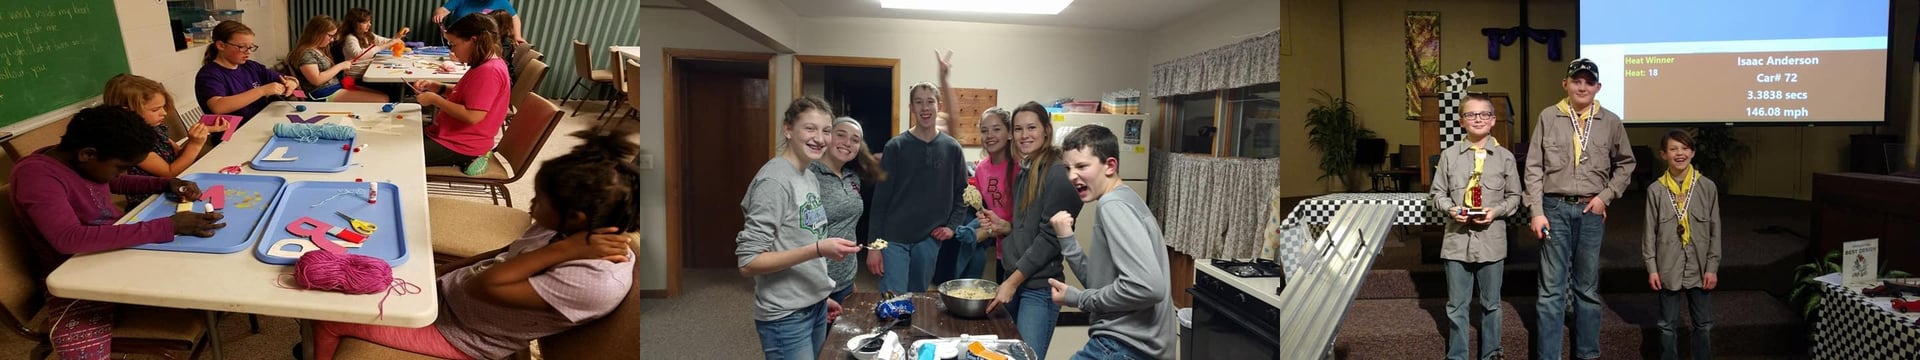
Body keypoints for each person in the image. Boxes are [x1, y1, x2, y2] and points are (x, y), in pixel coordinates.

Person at [301, 129, 642, 360]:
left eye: (540, 200)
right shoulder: (564, 232)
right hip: (451, 301)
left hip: (464, 336)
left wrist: (564, 251)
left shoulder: (592, 280)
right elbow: (502, 255)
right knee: (341, 290)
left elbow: (484, 285)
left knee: (329, 319)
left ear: (578, 217)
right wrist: (439, 274)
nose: (531, 206)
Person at [10, 106, 226, 360]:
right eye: (121, 167)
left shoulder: (85, 162)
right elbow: (68, 239)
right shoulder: (36, 177)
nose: (122, 173)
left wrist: (165, 183)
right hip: (76, 272)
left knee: (214, 268)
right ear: (88, 154)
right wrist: (169, 226)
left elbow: (113, 180)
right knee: (80, 350)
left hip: (117, 248)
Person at [1526, 58, 1636, 360]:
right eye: (1577, 81)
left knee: (1586, 289)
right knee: (1551, 291)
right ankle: (1549, 356)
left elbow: (1627, 164)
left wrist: (1606, 196)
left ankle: (1587, 354)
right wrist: (1536, 210)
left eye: (1589, 82)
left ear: (1597, 87)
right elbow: (1534, 166)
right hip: (1554, 209)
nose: (1582, 86)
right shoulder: (1549, 116)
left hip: (1591, 211)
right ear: (1566, 84)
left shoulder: (1611, 121)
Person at [738, 96, 862, 360]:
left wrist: (819, 293)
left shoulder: (807, 176)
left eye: (825, 130)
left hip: (813, 304)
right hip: (786, 315)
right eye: (810, 128)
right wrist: (818, 249)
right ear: (788, 129)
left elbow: (797, 238)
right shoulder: (774, 181)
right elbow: (748, 262)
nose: (819, 138)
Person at [1046, 124, 1176, 360]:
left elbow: (1147, 287)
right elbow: (1100, 282)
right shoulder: (1127, 199)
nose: (1072, 176)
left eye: (1082, 166)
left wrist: (1079, 299)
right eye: (1068, 168)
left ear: (1110, 165)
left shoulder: (1112, 206)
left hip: (1124, 346)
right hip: (1133, 346)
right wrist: (1067, 240)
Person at [978, 101, 1083, 359]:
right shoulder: (1027, 169)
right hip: (1016, 278)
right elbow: (1028, 227)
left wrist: (1010, 283)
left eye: (1032, 127)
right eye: (1019, 129)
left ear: (1047, 130)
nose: (1025, 135)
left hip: (1038, 287)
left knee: (1026, 355)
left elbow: (1049, 239)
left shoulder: (1058, 173)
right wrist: (1006, 227)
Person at [867, 50, 969, 294]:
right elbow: (880, 202)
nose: (925, 107)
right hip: (894, 240)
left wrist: (952, 226)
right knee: (893, 300)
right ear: (911, 107)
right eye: (919, 102)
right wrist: (874, 247)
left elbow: (963, 193)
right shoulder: (896, 147)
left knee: (918, 298)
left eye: (930, 101)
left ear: (938, 105)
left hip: (929, 239)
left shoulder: (952, 148)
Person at [1429, 93, 1520, 360]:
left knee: (1492, 304)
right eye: (1471, 114)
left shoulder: (1505, 158)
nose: (1477, 119)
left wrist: (1496, 211)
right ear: (1461, 121)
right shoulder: (1448, 156)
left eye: (1483, 114)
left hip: (1492, 241)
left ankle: (1491, 353)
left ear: (1493, 120)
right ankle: (1457, 355)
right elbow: (1437, 194)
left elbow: (1515, 197)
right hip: (1457, 242)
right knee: (1457, 305)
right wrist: (1450, 209)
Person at [1643, 129, 1719, 360]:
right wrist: (1652, 268)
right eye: (1673, 149)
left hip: (1699, 267)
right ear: (1663, 154)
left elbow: (1716, 232)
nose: (1679, 153)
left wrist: (1712, 268)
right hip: (1668, 266)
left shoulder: (1707, 187)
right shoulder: (1655, 190)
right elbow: (1649, 233)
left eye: (1685, 148)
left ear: (1693, 153)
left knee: (1703, 324)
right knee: (1667, 325)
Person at [101, 74, 228, 210]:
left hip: (175, 188)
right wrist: (195, 145)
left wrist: (201, 133)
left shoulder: (155, 128)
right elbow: (170, 172)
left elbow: (178, 155)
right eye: (155, 110)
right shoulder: (130, 142)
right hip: (150, 202)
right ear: (127, 112)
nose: (164, 113)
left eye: (163, 107)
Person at [410, 14, 512, 170]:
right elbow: (468, 95)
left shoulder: (489, 71)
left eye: (454, 44)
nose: (452, 49)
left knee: (399, 154)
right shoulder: (486, 63)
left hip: (461, 145)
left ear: (473, 40)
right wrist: (437, 87)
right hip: (453, 137)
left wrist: (435, 100)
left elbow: (472, 115)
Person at [811, 116, 886, 306]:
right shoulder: (809, 175)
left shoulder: (852, 178)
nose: (847, 143)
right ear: (828, 136)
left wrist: (850, 280)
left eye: (855, 139)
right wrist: (816, 294)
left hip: (844, 280)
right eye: (841, 135)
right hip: (813, 285)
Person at [195, 20, 298, 146]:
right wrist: (262, 91)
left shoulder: (251, 66)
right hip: (232, 136)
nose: (248, 52)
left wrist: (292, 82)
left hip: (260, 126)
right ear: (221, 45)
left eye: (250, 47)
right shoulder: (209, 74)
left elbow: (284, 79)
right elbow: (218, 106)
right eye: (242, 47)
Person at [286, 15, 387, 102]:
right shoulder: (306, 53)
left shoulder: (319, 49)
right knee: (383, 99)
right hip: (322, 93)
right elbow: (316, 80)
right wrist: (341, 66)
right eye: (330, 36)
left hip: (335, 87)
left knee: (384, 96)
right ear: (317, 33)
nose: (332, 40)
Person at [971, 107, 1018, 282]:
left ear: (1010, 133)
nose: (990, 135)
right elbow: (984, 208)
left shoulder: (1020, 166)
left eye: (996, 129)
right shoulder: (981, 169)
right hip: (1001, 250)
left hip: (1023, 247)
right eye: (984, 130)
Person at [338, 8, 408, 101]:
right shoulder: (350, 38)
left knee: (394, 90)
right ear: (354, 23)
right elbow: (359, 54)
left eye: (369, 21)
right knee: (392, 93)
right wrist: (386, 45)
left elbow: (385, 41)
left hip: (366, 73)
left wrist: (398, 36)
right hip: (357, 79)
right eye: (365, 22)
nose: (369, 25)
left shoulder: (368, 35)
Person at [434, 0, 524, 44]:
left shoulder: (501, 1)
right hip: (459, 41)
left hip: (484, 44)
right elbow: (442, 10)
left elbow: (515, 18)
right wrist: (439, 15)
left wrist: (517, 36)